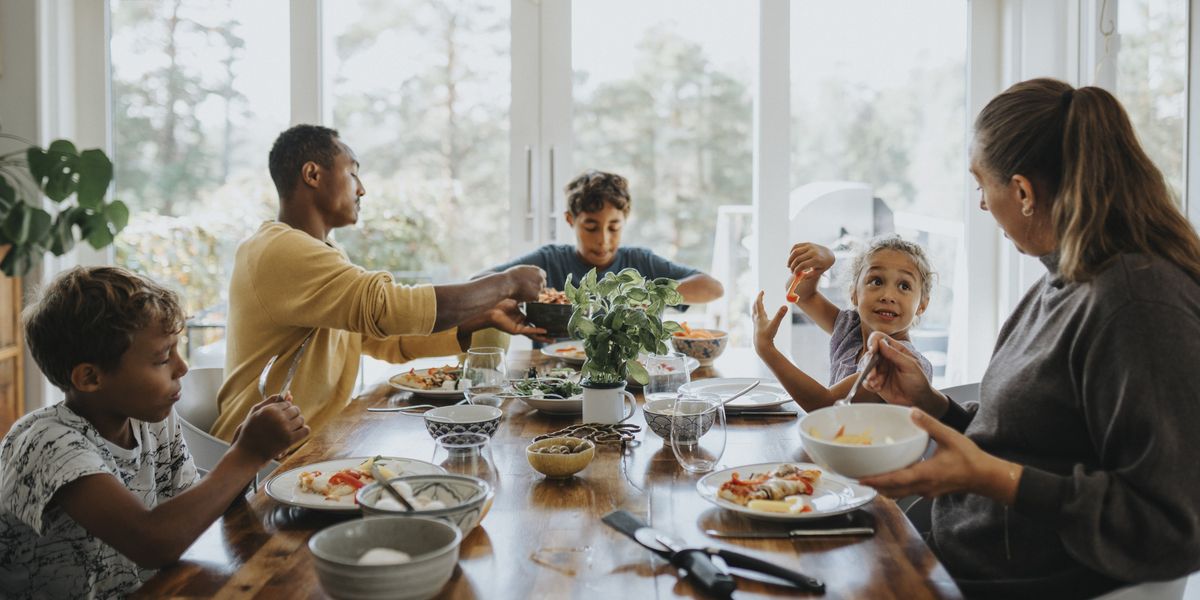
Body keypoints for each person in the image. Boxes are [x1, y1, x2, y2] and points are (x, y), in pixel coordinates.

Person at [856, 79, 1200, 598]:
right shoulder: (1065, 278)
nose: (980, 204)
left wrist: (995, 480)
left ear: (1022, 191)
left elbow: (1171, 525)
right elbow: (1034, 443)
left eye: (981, 185)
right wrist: (933, 405)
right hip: (962, 557)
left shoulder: (1137, 304)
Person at [210, 125, 548, 443]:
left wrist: (483, 317)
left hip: (318, 442)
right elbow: (389, 309)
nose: (361, 189)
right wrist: (506, 282)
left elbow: (386, 339)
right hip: (264, 460)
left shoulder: (320, 252)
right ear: (312, 174)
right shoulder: (280, 250)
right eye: (353, 172)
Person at [0, 266, 308, 598]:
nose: (182, 367)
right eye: (163, 357)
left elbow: (189, 516)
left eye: (178, 348)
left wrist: (247, 449)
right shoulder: (45, 443)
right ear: (90, 378)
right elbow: (152, 541)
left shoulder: (151, 419)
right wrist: (247, 454)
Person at [477, 170, 724, 304]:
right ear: (570, 220)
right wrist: (512, 288)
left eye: (614, 227)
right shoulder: (549, 261)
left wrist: (646, 293)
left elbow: (713, 288)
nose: (603, 240)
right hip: (555, 375)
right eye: (591, 227)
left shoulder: (640, 263)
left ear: (625, 221)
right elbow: (477, 281)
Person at [751, 235, 934, 411]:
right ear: (854, 293)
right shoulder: (851, 329)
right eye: (876, 281)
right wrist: (824, 261)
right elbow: (802, 294)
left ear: (922, 305)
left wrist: (766, 349)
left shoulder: (901, 361)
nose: (888, 296)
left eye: (904, 286)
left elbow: (827, 405)